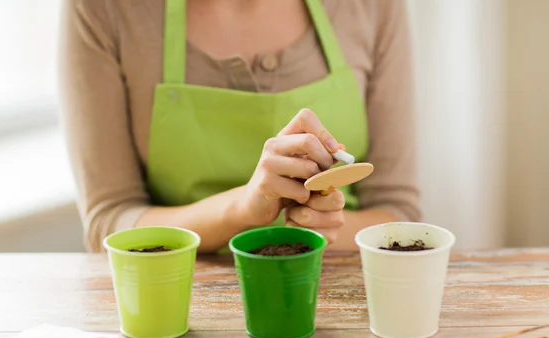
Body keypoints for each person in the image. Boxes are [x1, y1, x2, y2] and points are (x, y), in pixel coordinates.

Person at [58, 0, 420, 253]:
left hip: (343, 292)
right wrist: (243, 209)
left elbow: (397, 212)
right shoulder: (103, 8)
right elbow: (108, 224)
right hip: (182, 298)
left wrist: (318, 228)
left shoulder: (373, 5)